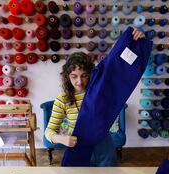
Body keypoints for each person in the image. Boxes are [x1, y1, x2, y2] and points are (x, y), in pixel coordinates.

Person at [45, 28, 145, 166]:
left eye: (84, 76)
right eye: (74, 76)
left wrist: (135, 43)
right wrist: (61, 139)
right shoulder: (63, 99)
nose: (79, 81)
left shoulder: (100, 91)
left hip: (104, 147)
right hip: (78, 148)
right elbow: (49, 131)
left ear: (91, 74)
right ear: (67, 77)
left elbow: (117, 68)